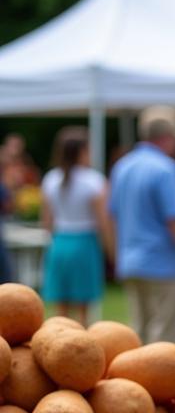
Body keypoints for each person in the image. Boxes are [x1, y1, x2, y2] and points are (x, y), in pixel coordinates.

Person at [109, 105, 175, 343]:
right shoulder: (166, 169)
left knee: (139, 334)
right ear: (168, 137)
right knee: (165, 340)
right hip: (163, 263)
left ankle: (134, 381)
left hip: (130, 260)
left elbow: (112, 216)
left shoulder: (122, 166)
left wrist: (116, 256)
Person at [40, 127, 112, 323]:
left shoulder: (50, 179)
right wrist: (110, 250)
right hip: (84, 243)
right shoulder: (93, 181)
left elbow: (47, 221)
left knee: (60, 309)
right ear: (81, 151)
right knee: (83, 310)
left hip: (59, 243)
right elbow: (103, 222)